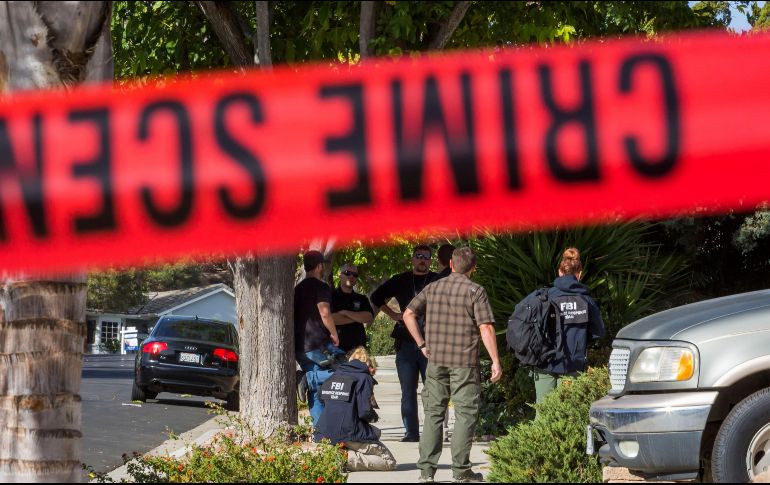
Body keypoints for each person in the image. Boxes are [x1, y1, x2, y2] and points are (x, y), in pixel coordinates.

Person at [403, 246, 503, 483]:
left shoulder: (433, 287)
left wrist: (421, 344)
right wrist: (496, 361)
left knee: (433, 414)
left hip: (436, 361)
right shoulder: (475, 291)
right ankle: (461, 471)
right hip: (464, 363)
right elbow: (486, 327)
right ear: (473, 268)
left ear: (450, 265)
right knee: (465, 414)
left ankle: (426, 472)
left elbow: (408, 314)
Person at [370, 244, 438, 442]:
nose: (423, 260)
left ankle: (433, 432)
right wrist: (393, 315)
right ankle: (411, 433)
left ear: (430, 260)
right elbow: (376, 297)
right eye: (419, 256)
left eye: (426, 256)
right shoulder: (401, 280)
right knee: (408, 391)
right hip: (406, 344)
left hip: (430, 343)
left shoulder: (436, 279)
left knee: (433, 390)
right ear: (412, 259)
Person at [531, 247, 605, 404]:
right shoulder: (587, 301)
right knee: (567, 413)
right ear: (579, 274)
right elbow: (599, 332)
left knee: (543, 413)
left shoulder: (544, 296)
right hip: (573, 363)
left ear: (559, 271)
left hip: (544, 361)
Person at [314, 347, 397, 472]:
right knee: (389, 462)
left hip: (324, 432)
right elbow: (364, 412)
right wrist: (373, 416)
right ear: (367, 363)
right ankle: (345, 458)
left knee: (374, 433)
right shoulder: (364, 378)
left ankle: (339, 453)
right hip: (348, 431)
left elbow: (321, 398)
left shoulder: (334, 374)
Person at [294, 250, 347, 426]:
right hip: (318, 345)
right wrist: (334, 333)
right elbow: (325, 313)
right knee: (346, 373)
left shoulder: (297, 289)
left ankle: (320, 431)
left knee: (316, 391)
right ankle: (307, 378)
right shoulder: (321, 287)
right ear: (319, 266)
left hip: (300, 347)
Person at [332, 263, 375, 352]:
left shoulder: (361, 298)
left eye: (355, 275)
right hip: (337, 350)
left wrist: (345, 313)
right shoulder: (331, 296)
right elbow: (332, 319)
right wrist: (358, 318)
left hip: (358, 351)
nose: (351, 276)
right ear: (340, 276)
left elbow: (369, 317)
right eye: (347, 273)